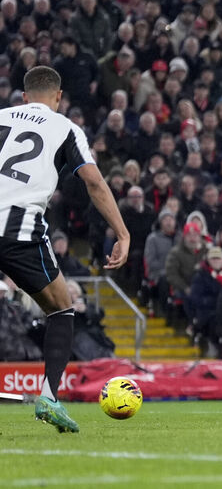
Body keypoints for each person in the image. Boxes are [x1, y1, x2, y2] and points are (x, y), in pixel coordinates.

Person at [0, 66, 129, 433]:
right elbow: (94, 182)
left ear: (23, 96)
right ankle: (49, 398)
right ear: (58, 97)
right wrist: (122, 233)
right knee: (61, 307)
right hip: (19, 230)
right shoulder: (65, 127)